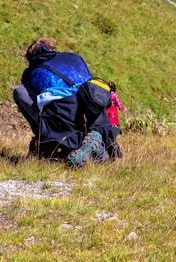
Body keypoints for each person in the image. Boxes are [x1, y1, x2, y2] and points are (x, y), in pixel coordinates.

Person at [13, 37, 120, 166]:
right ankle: (99, 150)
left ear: (31, 57)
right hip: (96, 113)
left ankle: (45, 138)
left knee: (20, 92)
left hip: (64, 113)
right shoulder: (74, 57)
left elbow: (30, 98)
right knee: (96, 152)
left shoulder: (32, 72)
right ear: (53, 49)